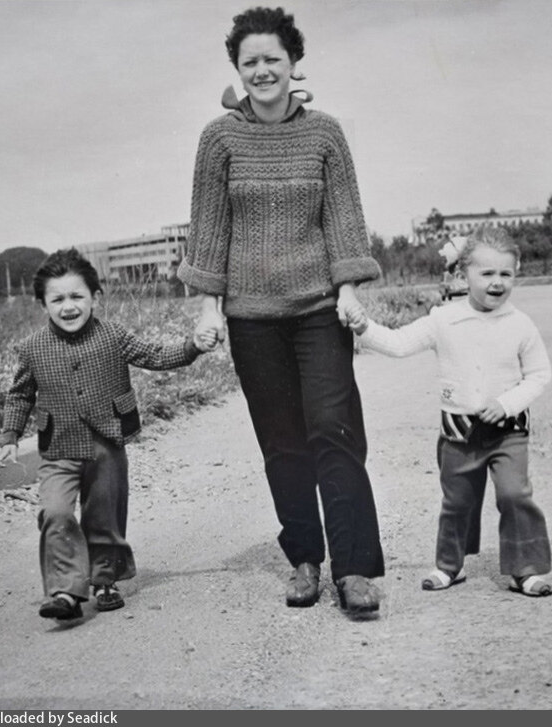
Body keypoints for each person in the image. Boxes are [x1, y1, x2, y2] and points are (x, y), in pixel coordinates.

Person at [177, 6, 386, 615]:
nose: (262, 70)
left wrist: (349, 290)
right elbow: (209, 229)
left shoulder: (325, 134)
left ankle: (354, 568)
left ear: (294, 63)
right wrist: (210, 308)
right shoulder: (219, 138)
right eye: (251, 62)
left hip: (319, 309)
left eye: (273, 58)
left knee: (334, 431)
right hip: (251, 319)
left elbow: (343, 218)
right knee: (283, 443)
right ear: (238, 70)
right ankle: (305, 560)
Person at [0, 248, 218, 620]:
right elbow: (20, 395)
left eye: (77, 296)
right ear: (43, 304)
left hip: (107, 443)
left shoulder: (113, 335)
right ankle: (65, 590)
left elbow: (155, 355)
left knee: (104, 515)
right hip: (59, 447)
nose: (69, 306)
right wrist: (9, 436)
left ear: (95, 297)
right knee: (55, 512)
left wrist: (193, 346)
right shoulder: (32, 348)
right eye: (57, 299)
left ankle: (104, 580)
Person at [345, 226, 552, 597]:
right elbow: (399, 343)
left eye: (505, 274)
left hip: (508, 433)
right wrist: (364, 328)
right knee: (458, 502)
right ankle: (449, 566)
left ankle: (525, 569)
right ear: (462, 274)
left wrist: (507, 403)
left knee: (514, 495)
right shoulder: (443, 320)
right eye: (486, 273)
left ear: (516, 274)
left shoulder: (521, 325)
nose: (496, 282)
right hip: (458, 434)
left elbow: (540, 375)